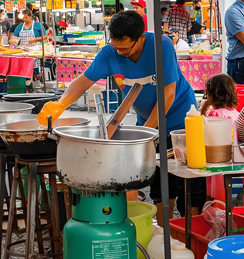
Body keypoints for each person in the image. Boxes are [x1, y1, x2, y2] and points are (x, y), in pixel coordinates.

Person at [37, 11, 202, 225]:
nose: (120, 53)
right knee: (161, 185)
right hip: (148, 122)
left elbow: (167, 95)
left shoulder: (161, 45)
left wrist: (147, 134)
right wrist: (61, 103)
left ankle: (191, 231)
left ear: (141, 37)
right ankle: (164, 235)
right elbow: (82, 82)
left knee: (187, 183)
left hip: (182, 120)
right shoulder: (109, 54)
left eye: (125, 48)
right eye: (116, 47)